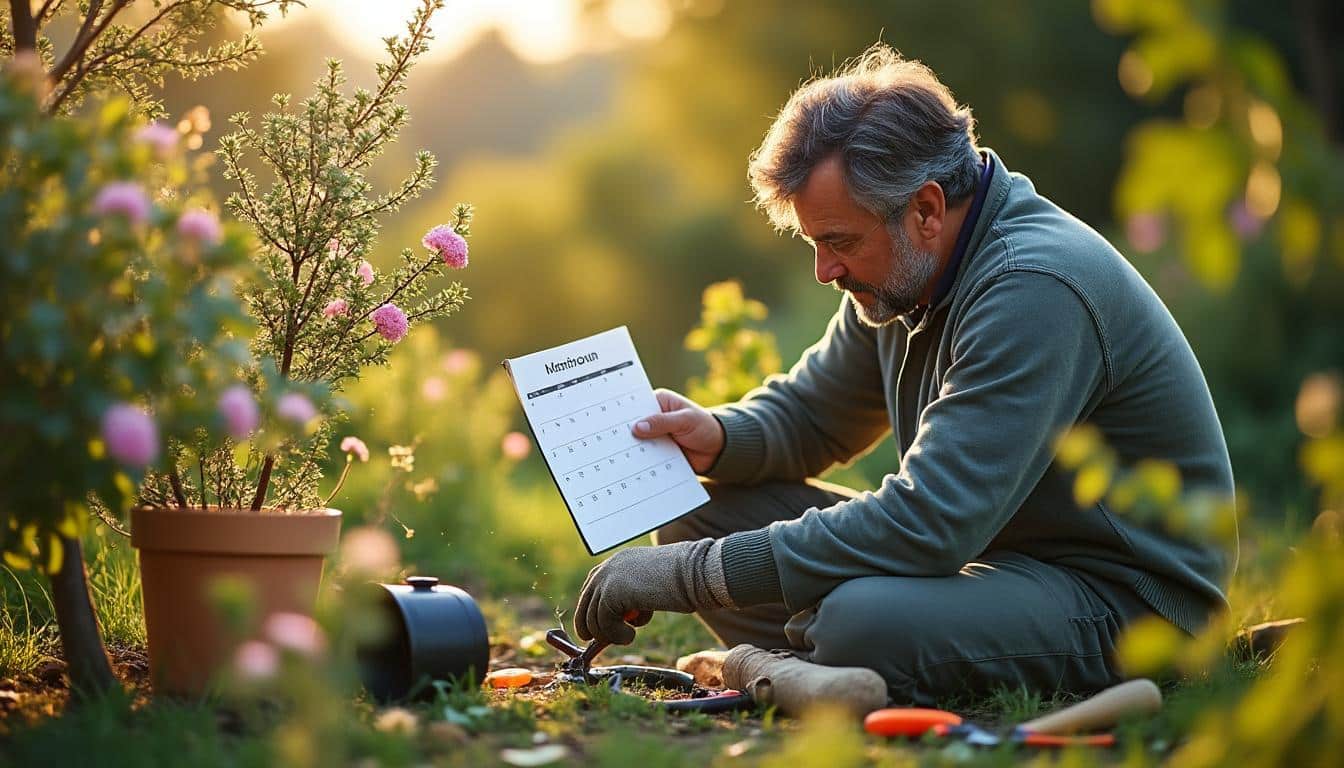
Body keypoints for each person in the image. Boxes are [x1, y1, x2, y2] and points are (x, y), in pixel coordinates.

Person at [572, 43, 1237, 707]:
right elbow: (812, 416)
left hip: (1123, 603)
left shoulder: (1032, 288)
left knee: (862, 620)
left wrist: (691, 578)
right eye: (814, 244)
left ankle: (788, 660)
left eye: (839, 241)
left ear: (924, 209)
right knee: (697, 517)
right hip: (996, 568)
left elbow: (929, 522)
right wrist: (716, 436)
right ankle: (805, 664)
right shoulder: (903, 276)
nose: (824, 271)